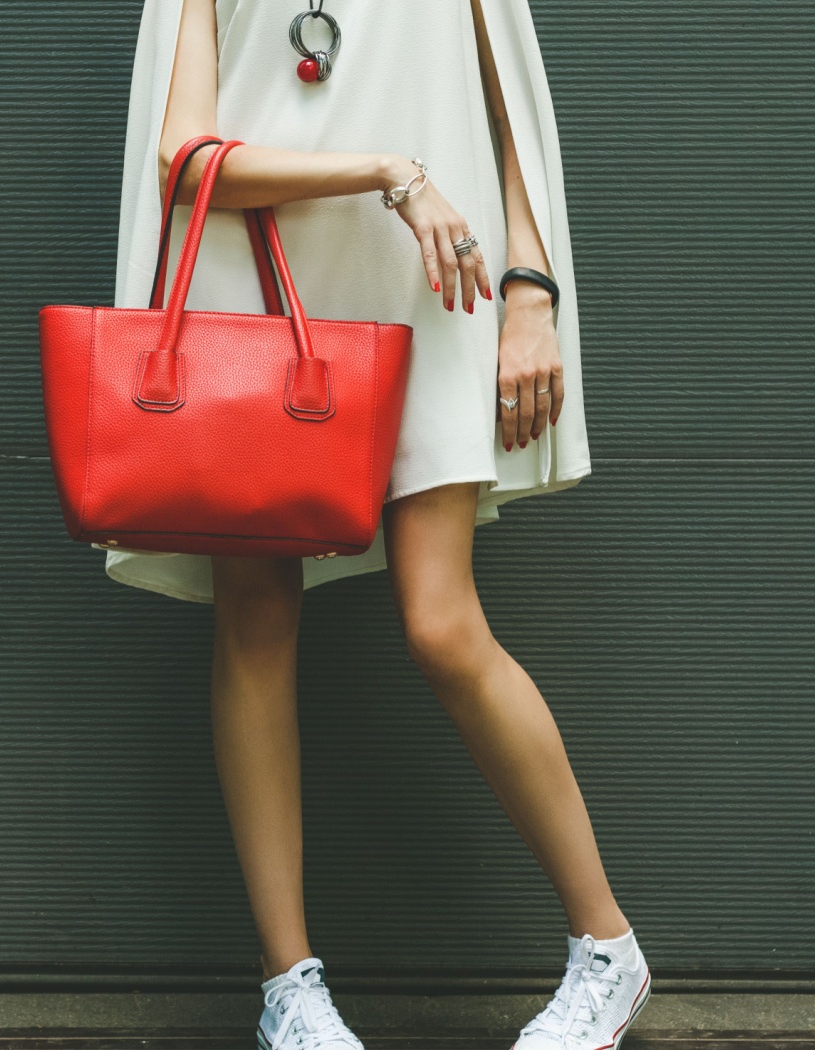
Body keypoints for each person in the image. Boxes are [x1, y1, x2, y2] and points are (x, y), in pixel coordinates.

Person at [103, 3, 651, 1050]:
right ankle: (289, 992)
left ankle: (606, 949)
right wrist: (384, 171)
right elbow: (182, 156)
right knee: (255, 630)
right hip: (250, 290)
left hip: (432, 288)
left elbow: (510, 116)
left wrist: (530, 293)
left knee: (443, 625)